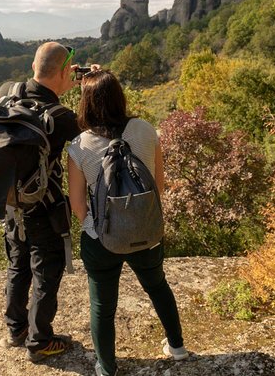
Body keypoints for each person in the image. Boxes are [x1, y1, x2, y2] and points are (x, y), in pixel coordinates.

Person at [66, 70, 188, 376]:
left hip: (101, 239)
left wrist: (98, 227)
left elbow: (78, 205)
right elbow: (159, 184)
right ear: (120, 96)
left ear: (86, 103)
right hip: (146, 232)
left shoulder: (80, 146)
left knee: (102, 306)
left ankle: (107, 368)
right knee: (158, 286)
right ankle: (177, 348)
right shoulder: (147, 130)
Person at [0, 42, 80, 362]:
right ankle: (40, 341)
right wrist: (87, 87)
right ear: (63, 72)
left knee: (17, 264)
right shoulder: (60, 117)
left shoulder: (8, 93)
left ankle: (16, 327)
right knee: (47, 270)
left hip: (10, 204)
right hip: (43, 208)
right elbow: (95, 128)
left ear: (34, 66)